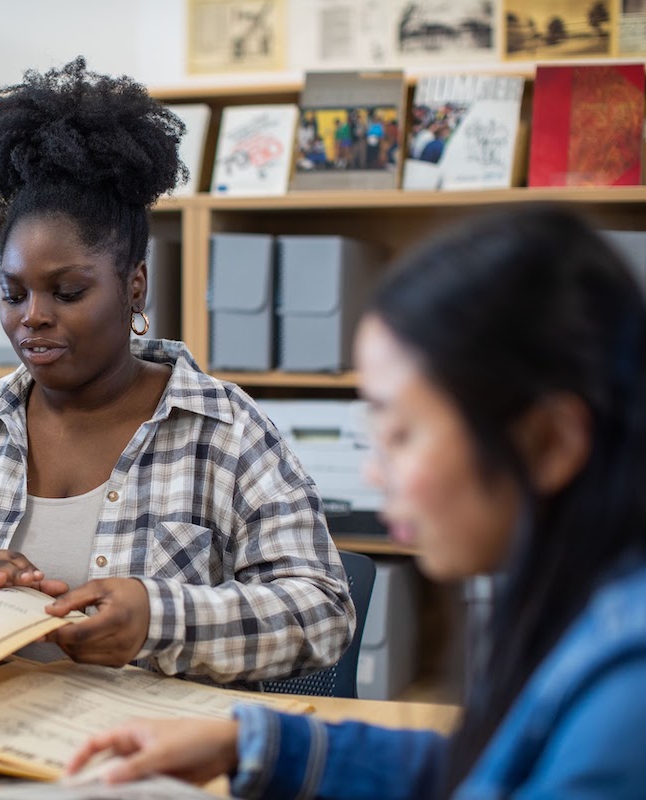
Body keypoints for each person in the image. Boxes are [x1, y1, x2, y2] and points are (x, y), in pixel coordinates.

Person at [69, 204, 646, 797]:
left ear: (550, 442)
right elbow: (485, 768)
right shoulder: (578, 616)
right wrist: (249, 743)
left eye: (402, 433)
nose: (373, 472)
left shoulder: (628, 694)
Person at [0, 57, 353, 688]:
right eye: (14, 294)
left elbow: (323, 611)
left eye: (66, 293)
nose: (31, 319)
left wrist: (159, 619)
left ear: (134, 286)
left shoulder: (223, 429)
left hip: (154, 762)